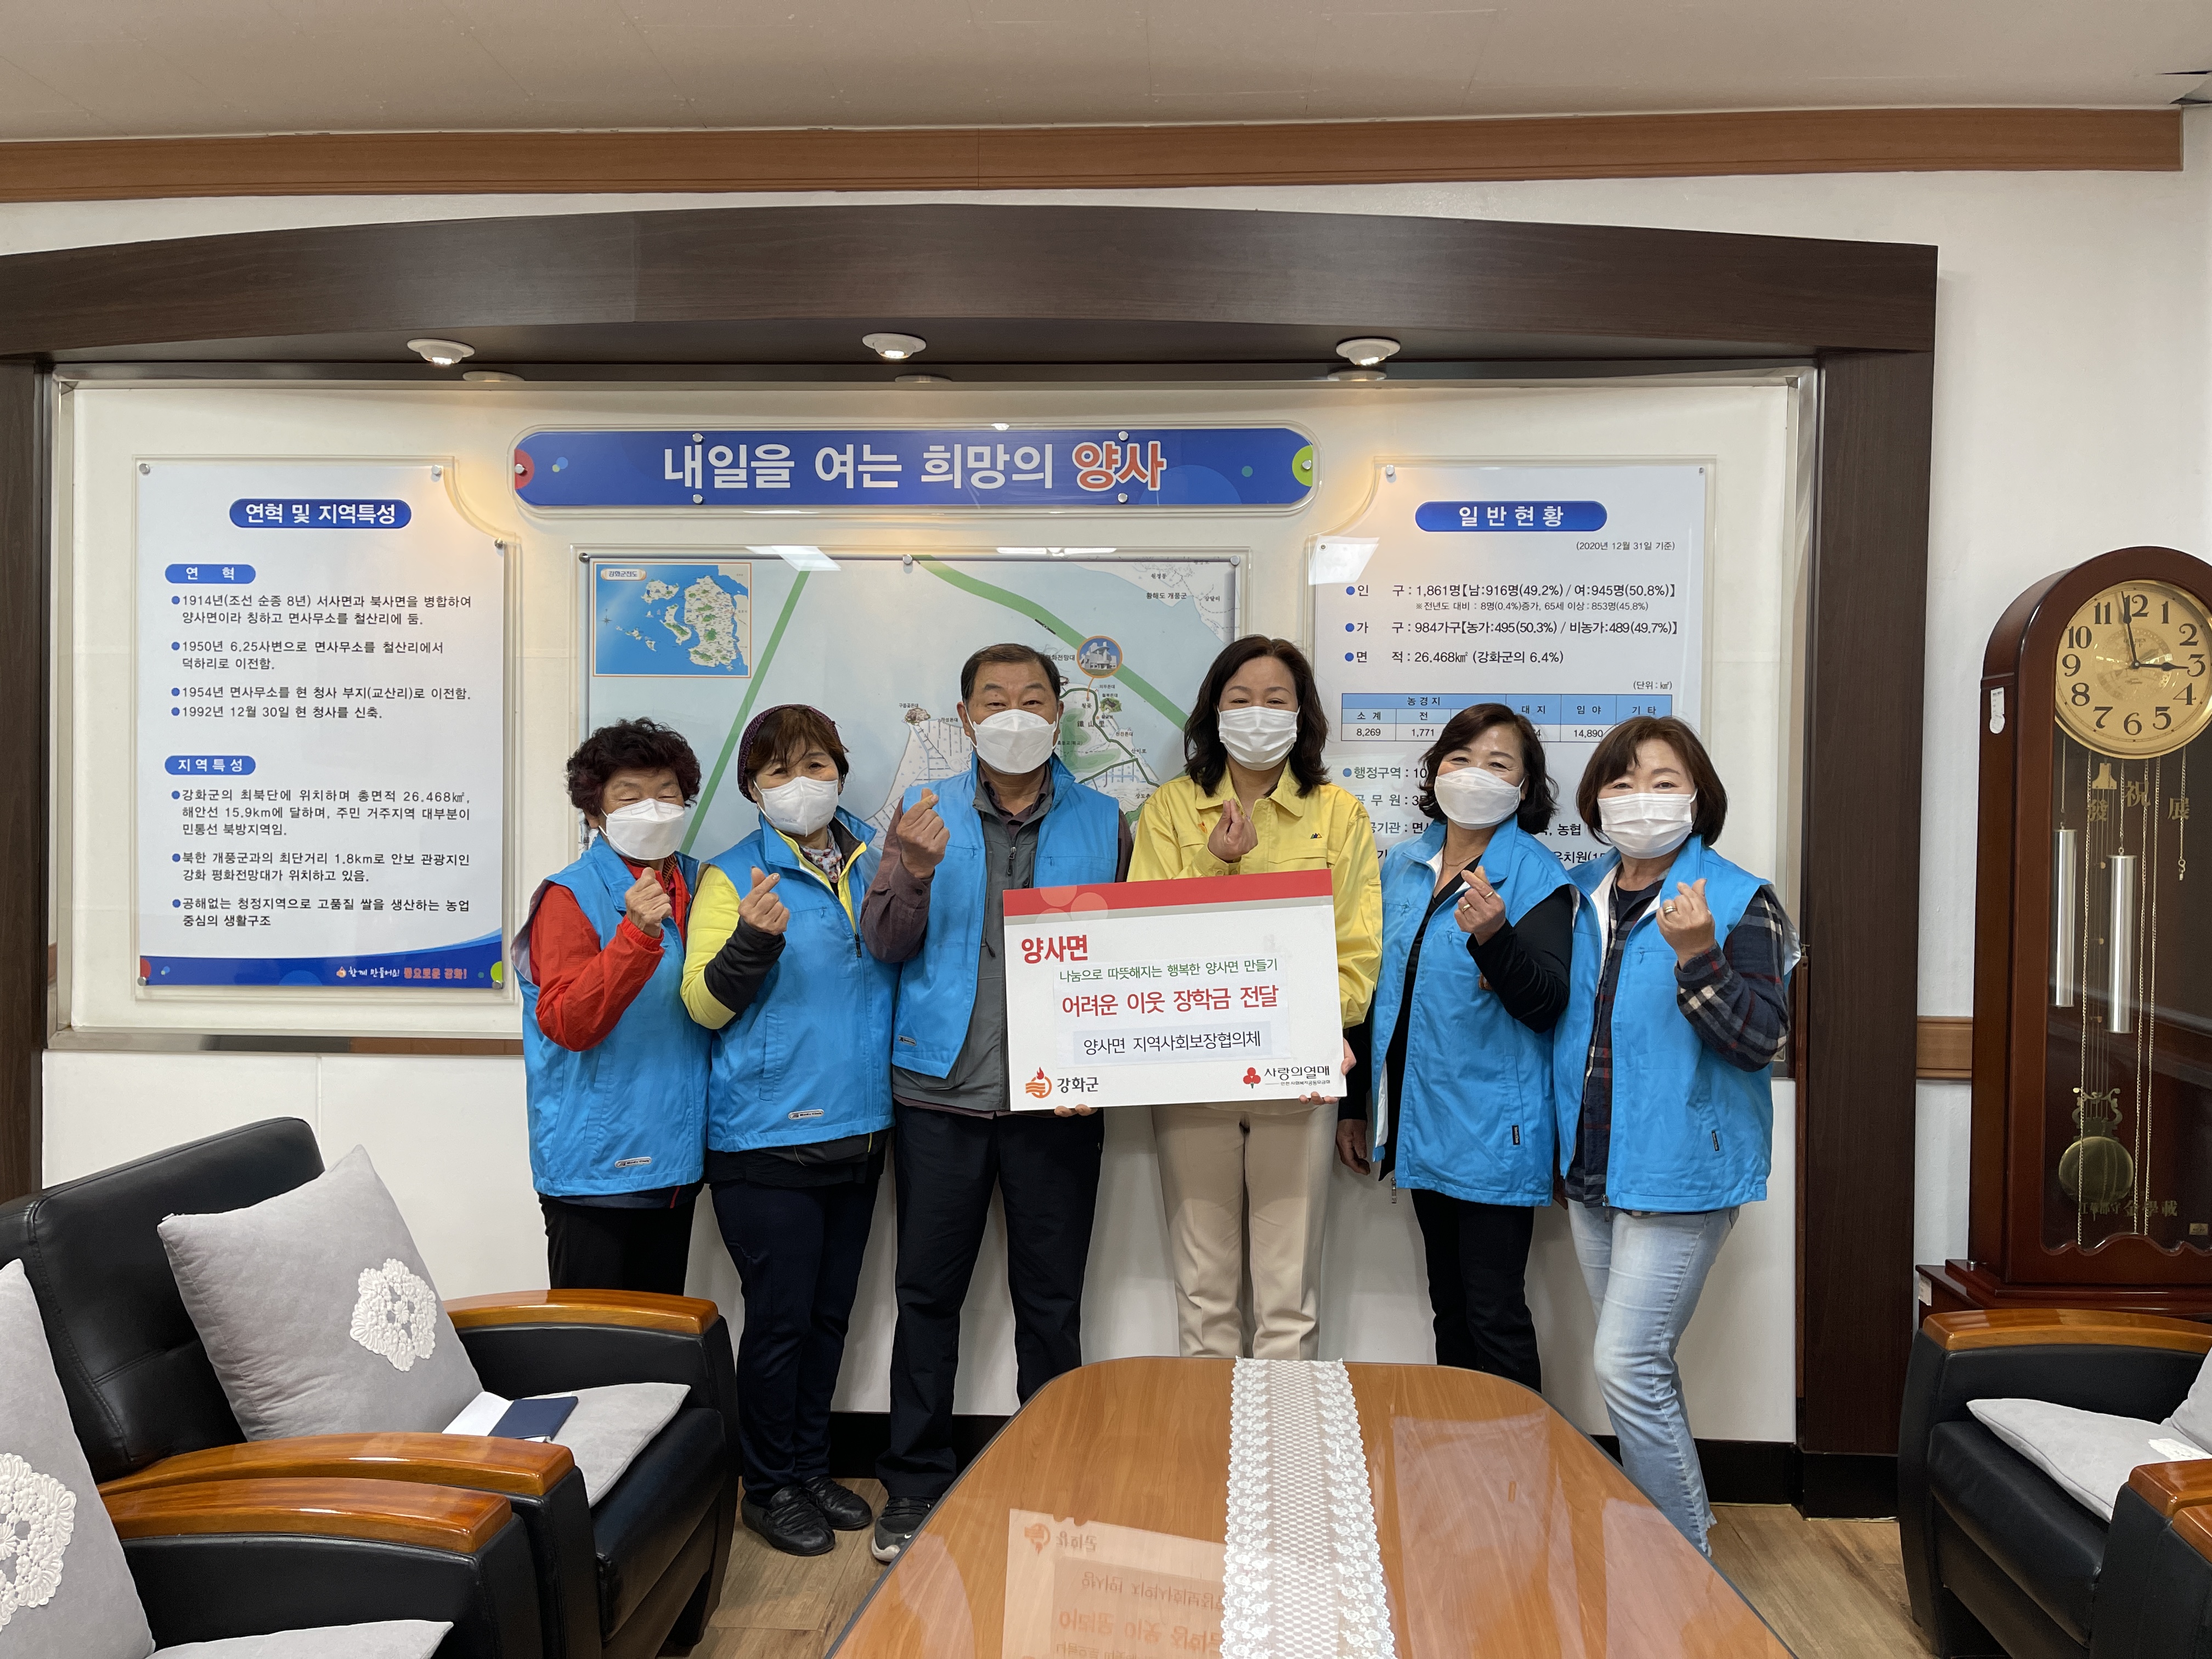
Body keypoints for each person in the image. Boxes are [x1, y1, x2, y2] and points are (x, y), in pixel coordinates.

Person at [860, 643, 1131, 1562]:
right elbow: (885, 944)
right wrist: (912, 869)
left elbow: (1131, 963)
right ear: (965, 716)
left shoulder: (1106, 819)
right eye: (993, 699)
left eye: (1033, 698)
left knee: (1051, 1303)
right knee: (926, 1298)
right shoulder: (922, 810)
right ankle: (914, 1484)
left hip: (1058, 1104)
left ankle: (1056, 1474)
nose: (1014, 714)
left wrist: (1099, 1069)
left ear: (1060, 713)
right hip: (939, 1095)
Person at [1554, 715, 1795, 1556]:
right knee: (1638, 1367)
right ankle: (1669, 1558)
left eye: (1664, 783)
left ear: (1698, 798)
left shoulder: (1738, 898)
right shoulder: (1577, 894)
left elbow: (1761, 1040)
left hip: (1686, 1169)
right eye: (1622, 783)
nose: (1641, 799)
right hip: (1593, 1169)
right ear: (1596, 799)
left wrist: (1700, 957)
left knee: (1626, 1364)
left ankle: (1684, 1566)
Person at [681, 705, 895, 1558]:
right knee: (779, 1323)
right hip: (764, 1142)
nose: (800, 784)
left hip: (862, 1128)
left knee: (829, 1317)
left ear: (840, 772)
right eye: (779, 771)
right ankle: (767, 1488)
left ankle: (809, 1468)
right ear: (752, 788)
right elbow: (702, 1004)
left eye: (815, 765)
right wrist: (750, 943)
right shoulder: (733, 876)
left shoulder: (878, 858)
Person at [1129, 636, 1380, 1360]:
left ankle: (1285, 1434)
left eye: (1276, 700)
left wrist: (1320, 1027)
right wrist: (1215, 863)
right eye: (1240, 699)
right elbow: (1142, 937)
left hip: (1298, 1079)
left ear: (1302, 715)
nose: (1258, 713)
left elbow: (1358, 947)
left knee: (1288, 1301)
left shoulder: (1339, 814)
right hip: (1192, 1073)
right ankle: (1210, 1435)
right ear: (1214, 711)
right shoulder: (1172, 808)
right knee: (1204, 1296)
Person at [1336, 704, 1572, 1391]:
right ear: (1435, 771)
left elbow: (1545, 1004)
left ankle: (1520, 1455)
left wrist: (1495, 938)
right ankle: (1461, 1449)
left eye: (1498, 764)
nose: (1474, 775)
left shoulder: (1537, 877)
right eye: (1460, 759)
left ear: (1524, 788)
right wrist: (1356, 1107)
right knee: (1451, 1307)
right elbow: (1374, 993)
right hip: (1421, 1121)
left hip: (1495, 1131)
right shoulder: (1403, 866)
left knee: (1495, 1314)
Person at [516, 718, 710, 1294]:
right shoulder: (570, 895)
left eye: (667, 794)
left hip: (677, 1163)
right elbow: (567, 1022)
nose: (652, 809)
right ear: (595, 813)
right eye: (630, 796)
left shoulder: (702, 884)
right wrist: (637, 934)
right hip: (594, 1171)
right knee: (593, 1340)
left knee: (659, 1339)